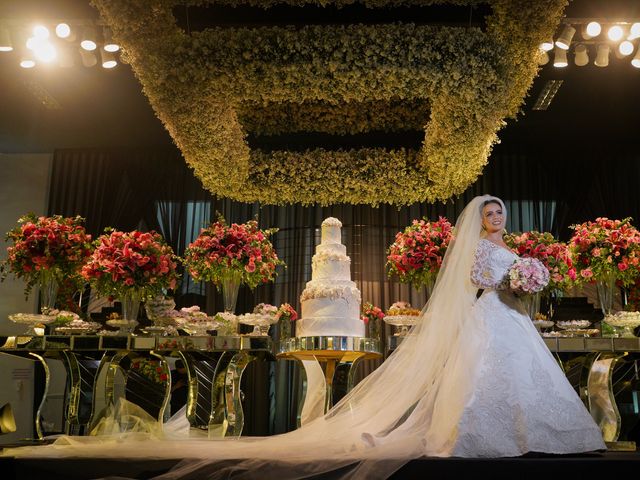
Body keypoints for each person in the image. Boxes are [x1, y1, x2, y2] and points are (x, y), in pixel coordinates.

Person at [3, 195, 605, 479]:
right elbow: (478, 280)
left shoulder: (514, 250)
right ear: (482, 220)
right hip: (490, 315)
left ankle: (533, 433)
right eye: (492, 215)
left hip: (513, 318)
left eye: (501, 215)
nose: (498, 221)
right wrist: (509, 283)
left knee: (523, 376)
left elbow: (511, 280)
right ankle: (479, 434)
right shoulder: (478, 250)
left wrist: (527, 279)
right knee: (480, 381)